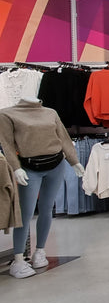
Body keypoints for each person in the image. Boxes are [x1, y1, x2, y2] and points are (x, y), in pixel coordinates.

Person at [0, 97, 85, 278]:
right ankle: (19, 259)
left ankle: (40, 251)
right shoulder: (7, 114)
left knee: (47, 209)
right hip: (29, 166)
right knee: (25, 213)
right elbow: (6, 144)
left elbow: (63, 138)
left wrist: (74, 161)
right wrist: (15, 168)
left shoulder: (50, 112)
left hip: (56, 163)